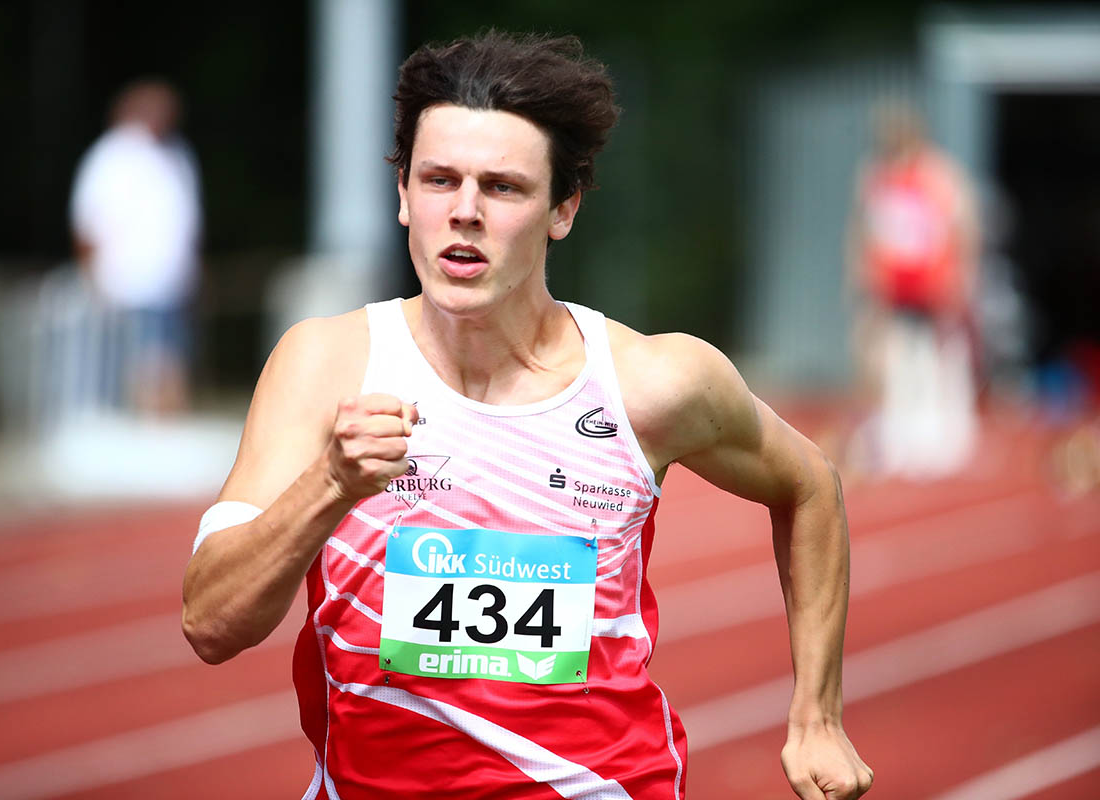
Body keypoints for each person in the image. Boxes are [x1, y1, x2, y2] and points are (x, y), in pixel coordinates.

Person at [183, 32, 872, 799]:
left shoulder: (651, 383)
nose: (465, 212)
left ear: (563, 209)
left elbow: (811, 485)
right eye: (440, 180)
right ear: (403, 194)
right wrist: (331, 485)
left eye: (503, 187)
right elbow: (211, 623)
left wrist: (818, 716)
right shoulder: (325, 364)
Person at [844, 102, 980, 479]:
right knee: (897, 362)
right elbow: (866, 229)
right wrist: (863, 274)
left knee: (940, 360)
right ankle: (901, 439)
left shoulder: (939, 174)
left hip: (933, 281)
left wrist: (958, 276)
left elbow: (960, 226)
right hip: (894, 284)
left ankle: (948, 439)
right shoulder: (875, 175)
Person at [69, 79, 201, 416]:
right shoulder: (111, 155)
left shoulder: (177, 154)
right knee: (135, 368)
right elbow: (88, 221)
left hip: (170, 284)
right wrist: (91, 278)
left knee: (169, 364)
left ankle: (164, 435)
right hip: (123, 286)